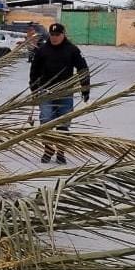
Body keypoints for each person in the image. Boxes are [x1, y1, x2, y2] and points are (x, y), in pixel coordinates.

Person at [28, 22, 90, 164]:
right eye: (52, 35)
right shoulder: (42, 50)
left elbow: (82, 69)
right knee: (46, 121)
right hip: (46, 92)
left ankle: (61, 152)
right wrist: (33, 89)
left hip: (65, 93)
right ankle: (48, 150)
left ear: (63, 35)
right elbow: (34, 71)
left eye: (57, 35)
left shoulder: (72, 50)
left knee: (63, 124)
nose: (54, 37)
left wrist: (85, 89)